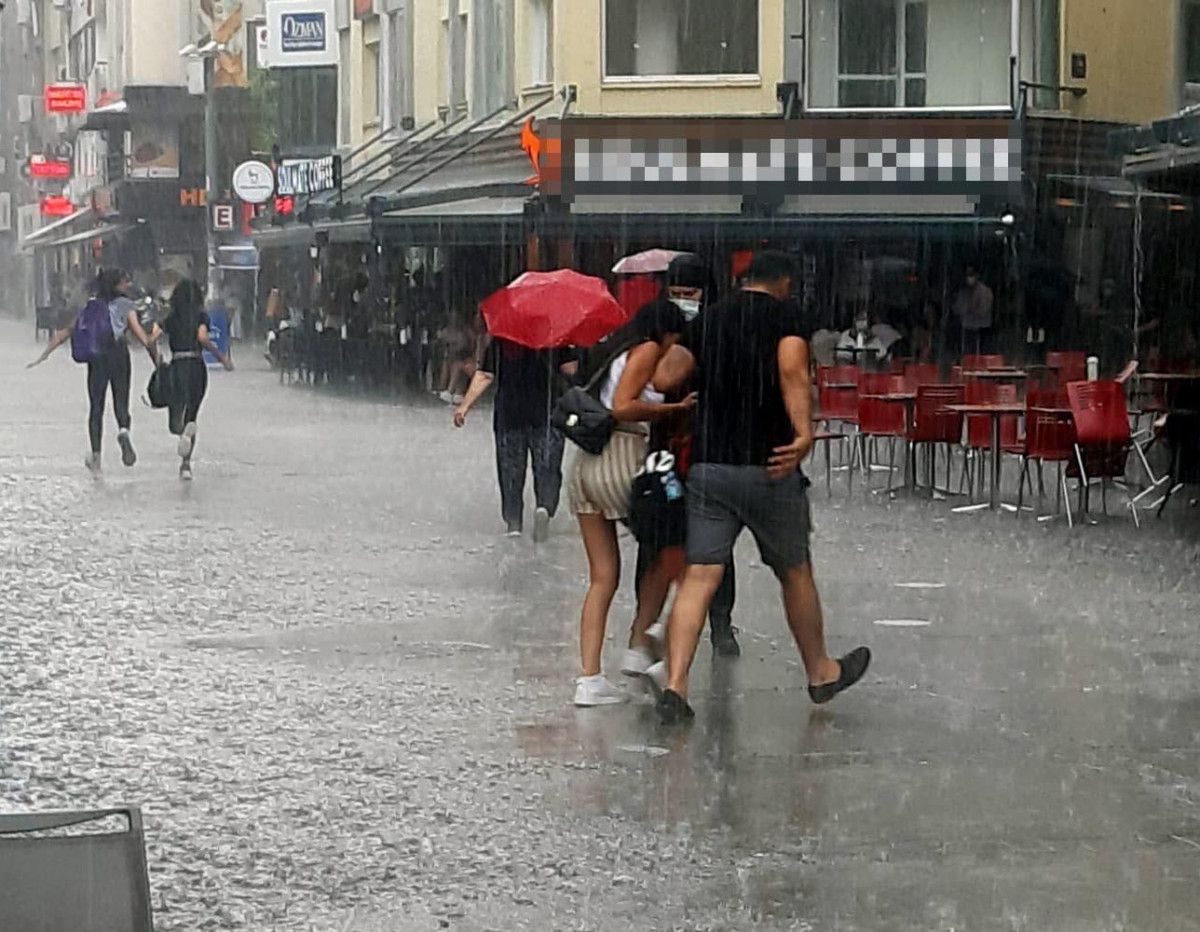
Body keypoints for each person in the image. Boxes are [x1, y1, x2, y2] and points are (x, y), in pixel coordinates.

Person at [650, 250, 871, 724]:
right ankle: (820, 672)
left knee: (701, 575)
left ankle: (676, 685)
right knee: (794, 570)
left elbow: (664, 374)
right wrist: (803, 432)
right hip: (770, 465)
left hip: (711, 466)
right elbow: (792, 369)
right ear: (784, 283)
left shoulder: (710, 319)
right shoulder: (786, 316)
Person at [566, 302, 697, 707]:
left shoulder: (614, 353)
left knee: (603, 577)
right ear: (667, 333)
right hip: (621, 457)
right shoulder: (645, 351)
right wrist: (673, 408)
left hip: (585, 467)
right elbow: (623, 406)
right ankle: (648, 643)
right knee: (680, 544)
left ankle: (589, 680)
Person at [626, 255, 741, 664]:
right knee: (657, 535)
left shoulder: (720, 332)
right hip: (665, 450)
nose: (682, 302)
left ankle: (720, 622)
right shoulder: (659, 331)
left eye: (689, 294)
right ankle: (647, 623)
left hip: (708, 449)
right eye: (674, 293)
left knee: (712, 542)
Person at [28, 268, 160, 473]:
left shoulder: (91, 306)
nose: (128, 285)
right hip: (119, 355)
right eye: (125, 281)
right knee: (121, 400)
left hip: (97, 357)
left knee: (96, 406)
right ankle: (123, 432)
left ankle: (96, 456)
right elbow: (141, 337)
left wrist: (45, 353)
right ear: (117, 285)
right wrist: (156, 356)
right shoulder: (126, 305)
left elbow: (68, 331)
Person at [453, 336, 574, 540]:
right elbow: (571, 370)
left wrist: (465, 406)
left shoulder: (502, 341)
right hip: (546, 412)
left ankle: (514, 522)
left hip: (510, 413)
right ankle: (544, 506)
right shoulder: (554, 337)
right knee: (548, 466)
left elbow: (485, 375)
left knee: (510, 469)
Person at [142, 280, 234, 480]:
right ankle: (185, 465)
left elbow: (150, 340)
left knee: (176, 417)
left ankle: (181, 431)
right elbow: (202, 338)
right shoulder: (201, 316)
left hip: (177, 366)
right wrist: (222, 358)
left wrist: (157, 360)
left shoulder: (170, 316)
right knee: (192, 415)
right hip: (197, 367)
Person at [953, 264, 994, 357]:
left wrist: (971, 308)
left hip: (982, 328)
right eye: (967, 275)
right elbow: (958, 309)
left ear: (977, 275)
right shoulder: (963, 292)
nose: (969, 278)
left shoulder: (985, 291)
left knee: (982, 354)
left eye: (971, 274)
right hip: (967, 328)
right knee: (968, 355)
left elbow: (983, 310)